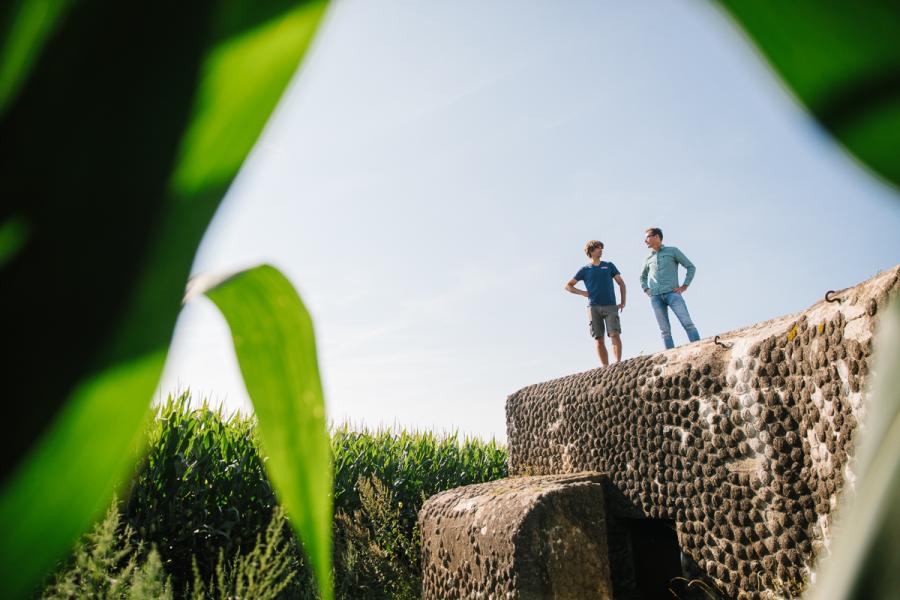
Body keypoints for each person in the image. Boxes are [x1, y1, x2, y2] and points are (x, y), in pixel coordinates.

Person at [565, 240, 627, 366]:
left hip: (610, 305)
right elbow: (568, 286)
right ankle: (605, 367)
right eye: (598, 248)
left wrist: (623, 302)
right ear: (591, 251)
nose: (601, 250)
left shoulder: (609, 266)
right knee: (599, 339)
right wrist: (582, 292)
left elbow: (621, 283)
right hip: (593, 307)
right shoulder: (584, 269)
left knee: (614, 334)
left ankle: (618, 363)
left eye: (601, 248)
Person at [640, 227, 700, 349]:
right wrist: (646, 289)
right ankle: (669, 355)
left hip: (673, 294)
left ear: (656, 237)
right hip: (656, 297)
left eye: (647, 237)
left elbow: (690, 267)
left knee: (687, 323)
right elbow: (642, 277)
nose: (645, 240)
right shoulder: (648, 259)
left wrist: (684, 286)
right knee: (664, 331)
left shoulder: (673, 251)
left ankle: (699, 348)